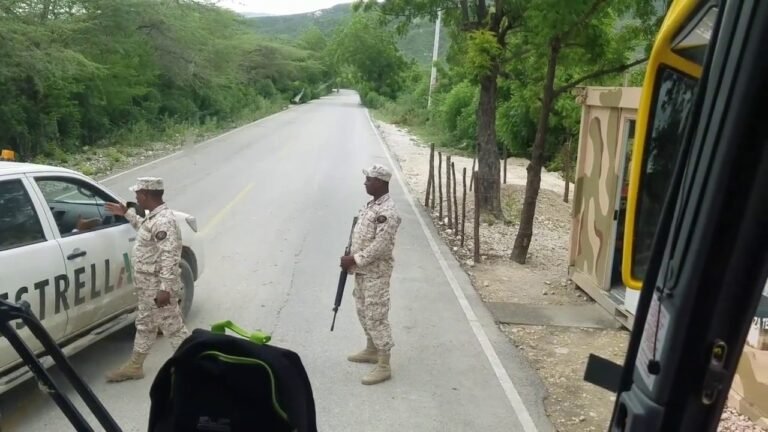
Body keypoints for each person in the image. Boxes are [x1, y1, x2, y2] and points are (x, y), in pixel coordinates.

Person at [104, 177, 190, 382]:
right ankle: (135, 366)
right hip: (148, 288)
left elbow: (170, 256)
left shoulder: (163, 221)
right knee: (145, 324)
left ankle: (192, 366)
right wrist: (126, 213)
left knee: (174, 329)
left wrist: (165, 289)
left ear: (144, 195)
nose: (135, 197)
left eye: (137, 194)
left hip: (157, 288)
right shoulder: (154, 218)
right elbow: (143, 228)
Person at [340, 164, 402, 385]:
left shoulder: (388, 211)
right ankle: (371, 348)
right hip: (362, 271)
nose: (365, 182)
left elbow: (382, 246)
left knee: (376, 316)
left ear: (381, 182)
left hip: (376, 273)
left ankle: (384, 364)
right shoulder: (372, 205)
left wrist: (355, 259)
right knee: (363, 311)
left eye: (369, 179)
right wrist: (352, 259)